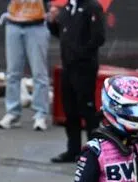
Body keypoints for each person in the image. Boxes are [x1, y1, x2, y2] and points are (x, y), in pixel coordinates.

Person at [47, 0, 106, 163]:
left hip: (84, 67)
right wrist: (52, 23)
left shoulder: (92, 7)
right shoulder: (66, 9)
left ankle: (95, 151)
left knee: (87, 108)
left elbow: (98, 37)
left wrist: (81, 53)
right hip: (68, 67)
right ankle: (73, 150)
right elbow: (63, 34)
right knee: (70, 109)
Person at [0, 0, 50, 131]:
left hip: (37, 24)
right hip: (13, 23)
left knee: (39, 72)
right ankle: (12, 112)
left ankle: (40, 114)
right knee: (13, 73)